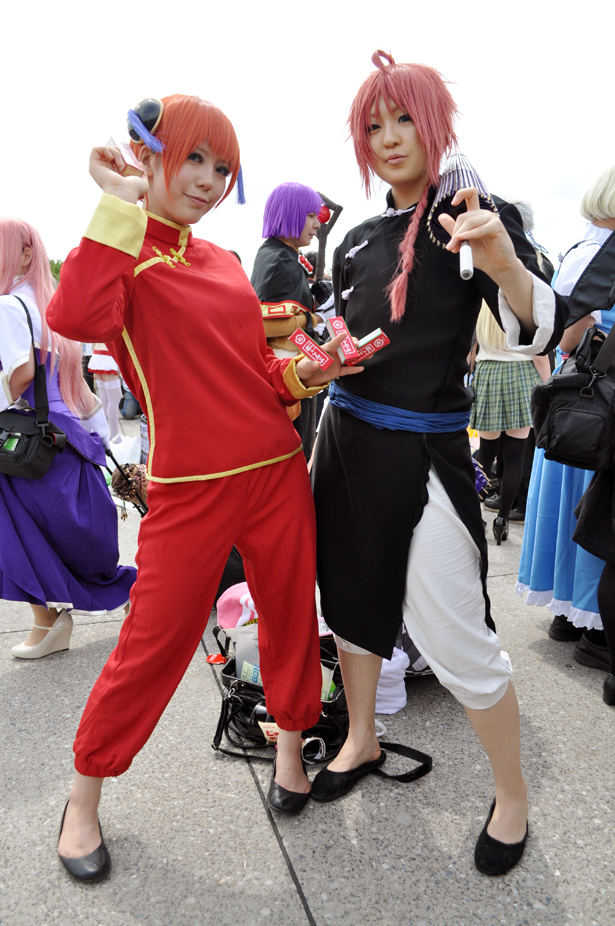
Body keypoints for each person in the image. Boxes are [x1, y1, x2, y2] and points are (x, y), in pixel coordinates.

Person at [47, 94, 359, 882]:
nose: (209, 180)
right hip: (189, 485)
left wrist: (301, 370)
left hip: (275, 468)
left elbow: (250, 367)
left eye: (222, 168)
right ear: (147, 153)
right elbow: (77, 313)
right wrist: (115, 203)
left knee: (292, 615)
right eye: (193, 158)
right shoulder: (124, 251)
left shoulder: (220, 260)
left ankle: (290, 752)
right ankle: (82, 802)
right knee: (149, 646)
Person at [311, 51, 566, 876]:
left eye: (403, 119)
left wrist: (497, 260)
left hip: (422, 451)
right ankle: (357, 738)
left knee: (457, 636)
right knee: (350, 609)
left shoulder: (469, 215)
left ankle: (512, 794)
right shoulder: (354, 238)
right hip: (344, 443)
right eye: (372, 125)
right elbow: (332, 332)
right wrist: (322, 360)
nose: (388, 138)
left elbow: (536, 321)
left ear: (435, 123)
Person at [0, 218, 135, 658]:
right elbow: (79, 392)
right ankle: (50, 624)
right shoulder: (48, 305)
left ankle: (50, 623)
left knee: (22, 534)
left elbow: (20, 373)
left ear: (23, 254)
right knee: (44, 535)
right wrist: (101, 444)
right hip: (63, 436)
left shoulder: (9, 307)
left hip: (30, 440)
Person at [517, 165, 615, 665]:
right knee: (596, 509)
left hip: (575, 397)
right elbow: (571, 330)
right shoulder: (603, 253)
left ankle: (568, 613)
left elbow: (558, 336)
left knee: (565, 505)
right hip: (601, 400)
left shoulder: (580, 250)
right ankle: (595, 627)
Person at [250, 183, 323, 459]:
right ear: (290, 213)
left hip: (283, 371)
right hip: (285, 373)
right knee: (292, 456)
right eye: (310, 216)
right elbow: (261, 323)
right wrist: (307, 319)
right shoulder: (282, 259)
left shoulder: (274, 253)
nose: (317, 224)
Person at [470, 301, 550, 543]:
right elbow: (539, 356)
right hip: (520, 373)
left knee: (485, 453)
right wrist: (549, 390)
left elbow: (470, 351)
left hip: (487, 373)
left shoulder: (482, 302)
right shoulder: (522, 299)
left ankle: (469, 508)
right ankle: (502, 520)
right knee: (515, 454)